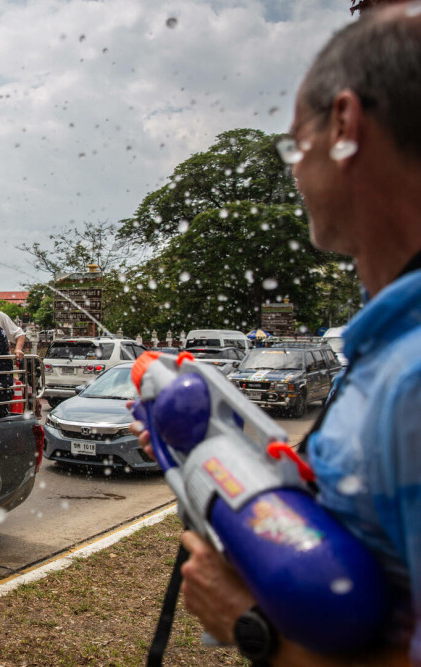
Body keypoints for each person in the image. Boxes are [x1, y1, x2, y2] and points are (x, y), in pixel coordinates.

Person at [131, 8, 421, 665]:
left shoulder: (413, 377)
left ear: (345, 127)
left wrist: (252, 627)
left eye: (295, 146)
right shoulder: (380, 343)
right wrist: (215, 457)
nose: (293, 170)